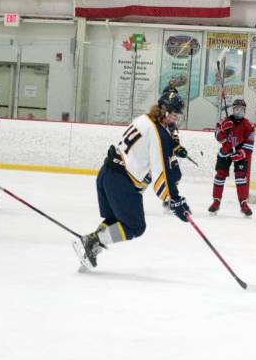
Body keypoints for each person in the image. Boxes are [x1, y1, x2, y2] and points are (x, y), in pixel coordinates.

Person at [74, 91, 191, 269]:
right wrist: (173, 199)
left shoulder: (144, 119)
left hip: (107, 173)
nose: (176, 119)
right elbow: (162, 173)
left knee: (115, 220)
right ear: (165, 111)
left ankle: (91, 246)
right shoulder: (159, 134)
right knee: (135, 227)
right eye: (174, 114)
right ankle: (92, 241)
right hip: (121, 181)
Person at [208, 99, 255, 216]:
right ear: (233, 110)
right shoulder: (223, 122)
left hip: (239, 153)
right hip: (225, 152)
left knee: (241, 177)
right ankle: (216, 201)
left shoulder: (249, 125)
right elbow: (219, 139)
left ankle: (243, 203)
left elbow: (250, 144)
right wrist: (224, 130)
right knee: (220, 175)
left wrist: (241, 153)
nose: (239, 111)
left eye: (242, 109)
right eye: (237, 109)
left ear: (245, 111)